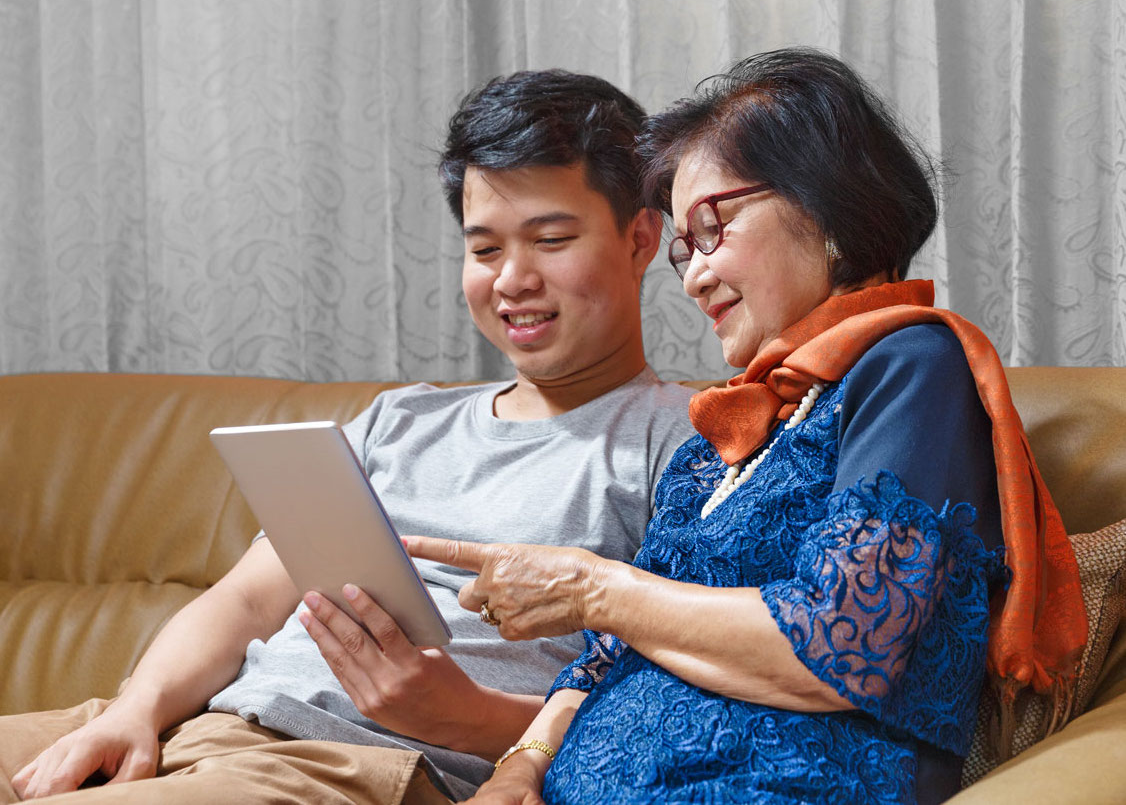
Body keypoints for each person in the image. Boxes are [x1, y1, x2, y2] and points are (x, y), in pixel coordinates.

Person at [408, 48, 1089, 804]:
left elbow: (845, 641)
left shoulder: (910, 366)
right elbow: (603, 658)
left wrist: (593, 586)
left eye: (714, 227)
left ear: (828, 205)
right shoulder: (722, 439)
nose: (694, 275)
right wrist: (522, 765)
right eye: (681, 247)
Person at [0, 69, 697, 804]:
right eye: (485, 250)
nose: (512, 279)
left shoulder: (680, 440)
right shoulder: (401, 421)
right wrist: (135, 712)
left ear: (640, 239)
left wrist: (472, 720)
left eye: (551, 239)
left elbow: (694, 700)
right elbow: (243, 603)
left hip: (346, 768)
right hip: (198, 729)